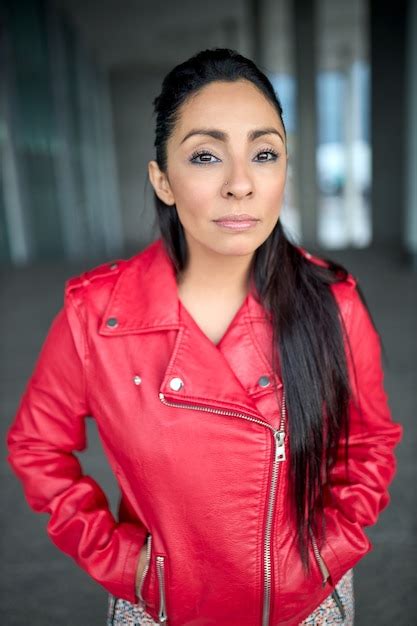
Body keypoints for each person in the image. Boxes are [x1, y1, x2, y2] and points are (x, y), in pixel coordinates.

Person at [6, 48, 402, 626]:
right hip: (161, 606)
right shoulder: (95, 315)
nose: (240, 184)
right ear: (162, 180)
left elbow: (369, 443)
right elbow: (37, 448)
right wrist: (123, 562)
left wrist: (328, 550)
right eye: (207, 156)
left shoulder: (332, 304)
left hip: (307, 604)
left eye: (263, 153)